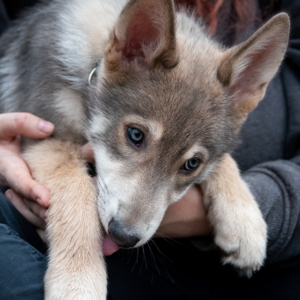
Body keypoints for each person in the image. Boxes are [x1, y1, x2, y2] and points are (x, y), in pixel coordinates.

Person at [0, 0, 300, 299]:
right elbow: (47, 143)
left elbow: (198, 142)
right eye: (135, 136)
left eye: (190, 164)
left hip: (228, 272)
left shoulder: (223, 96)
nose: (132, 224)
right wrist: (77, 251)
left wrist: (227, 191)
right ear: (131, 47)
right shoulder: (96, 45)